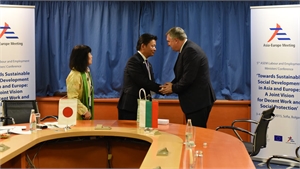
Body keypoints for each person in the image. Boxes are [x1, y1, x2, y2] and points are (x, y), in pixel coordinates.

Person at [160, 27, 216, 128]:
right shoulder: (186, 49)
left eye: (169, 41)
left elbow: (188, 78)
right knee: (193, 134)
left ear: (176, 40)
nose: (168, 44)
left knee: (196, 135)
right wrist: (172, 84)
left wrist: (173, 88)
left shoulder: (190, 50)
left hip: (198, 102)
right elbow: (182, 74)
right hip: (195, 102)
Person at [117, 33, 162, 120]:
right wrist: (162, 89)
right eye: (152, 46)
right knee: (129, 133)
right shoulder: (133, 61)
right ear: (143, 46)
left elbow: (151, 83)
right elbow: (142, 81)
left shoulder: (148, 64)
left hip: (145, 105)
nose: (155, 49)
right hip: (130, 106)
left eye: (155, 46)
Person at [66, 45, 94, 120]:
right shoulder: (74, 76)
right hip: (77, 117)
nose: (91, 56)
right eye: (89, 54)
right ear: (83, 58)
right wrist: (84, 111)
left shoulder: (86, 73)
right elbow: (72, 98)